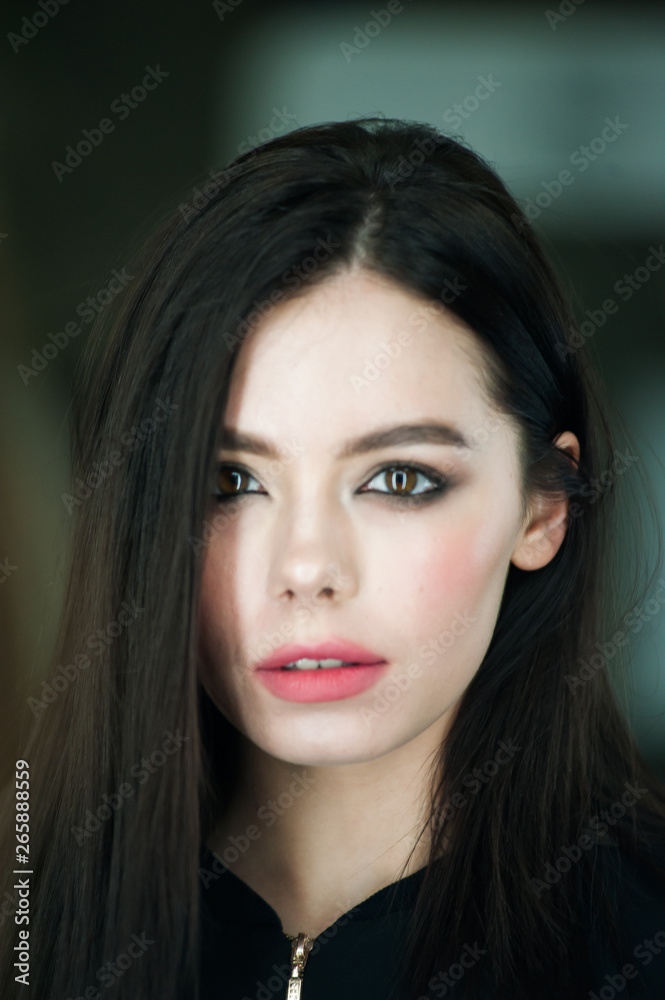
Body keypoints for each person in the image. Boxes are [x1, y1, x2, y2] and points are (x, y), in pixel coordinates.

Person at [1, 116, 665, 1000]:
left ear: (542, 506)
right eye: (229, 482)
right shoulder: (28, 930)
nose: (307, 566)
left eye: (397, 478)